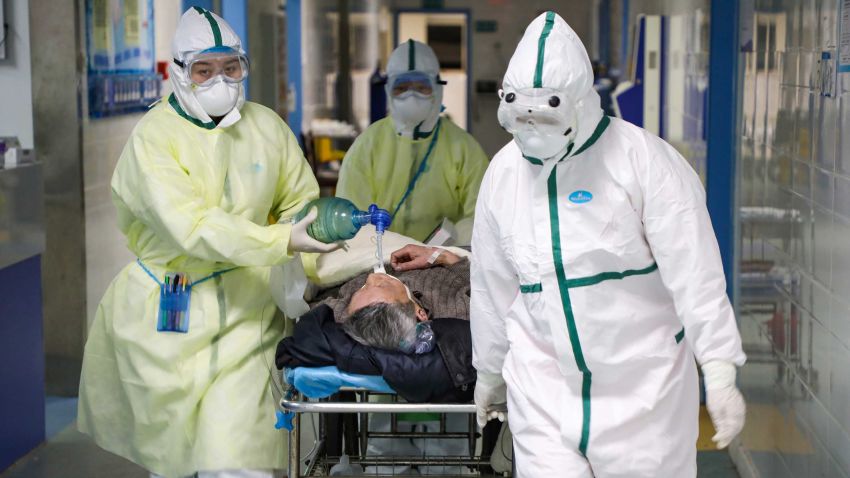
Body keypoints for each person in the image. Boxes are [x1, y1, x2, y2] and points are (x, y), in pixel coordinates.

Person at [470, 11, 746, 478]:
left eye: (546, 115)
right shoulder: (503, 173)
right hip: (544, 389)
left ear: (578, 103)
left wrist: (718, 366)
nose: (532, 129)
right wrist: (490, 372)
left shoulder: (645, 163)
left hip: (643, 393)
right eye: (522, 116)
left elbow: (695, 273)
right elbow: (492, 284)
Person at [77, 7, 339, 478]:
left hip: (247, 315)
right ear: (179, 73)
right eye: (204, 70)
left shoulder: (266, 127)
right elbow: (192, 225)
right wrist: (279, 238)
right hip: (168, 316)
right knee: (171, 458)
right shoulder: (153, 139)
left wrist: (306, 242)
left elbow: (301, 198)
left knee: (237, 460)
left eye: (230, 67)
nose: (220, 80)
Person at [336, 40, 489, 245]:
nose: (411, 96)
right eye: (402, 87)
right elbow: (349, 217)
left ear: (437, 89)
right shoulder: (367, 146)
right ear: (388, 90)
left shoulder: (463, 149)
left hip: (443, 262)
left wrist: (448, 246)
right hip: (378, 260)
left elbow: (483, 217)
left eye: (421, 87)